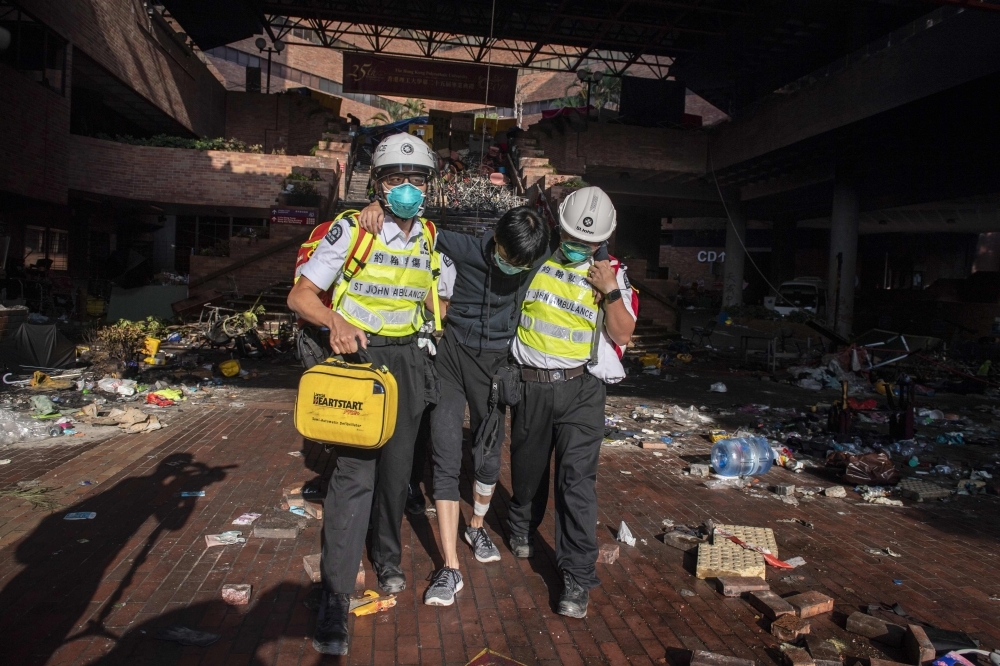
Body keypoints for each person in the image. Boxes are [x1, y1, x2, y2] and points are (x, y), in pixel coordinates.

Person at [287, 132, 453, 656]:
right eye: (395, 179)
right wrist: (334, 320)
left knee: (398, 471)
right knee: (356, 475)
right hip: (359, 362)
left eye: (417, 179)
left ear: (429, 185)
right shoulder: (350, 231)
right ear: (377, 185)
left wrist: (425, 331)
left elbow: (439, 294)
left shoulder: (428, 234)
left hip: (407, 362)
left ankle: (387, 560)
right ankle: (336, 597)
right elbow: (300, 296)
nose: (407, 187)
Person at [357, 202, 550, 607]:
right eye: (505, 257)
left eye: (520, 264)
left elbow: (581, 242)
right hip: (451, 360)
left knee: (487, 458)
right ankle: (450, 567)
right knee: (444, 455)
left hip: (496, 367)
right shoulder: (467, 247)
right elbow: (417, 229)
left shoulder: (537, 255)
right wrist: (379, 208)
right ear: (495, 239)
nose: (510, 267)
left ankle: (476, 524)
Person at [507, 186, 636, 619]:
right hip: (532, 386)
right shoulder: (537, 255)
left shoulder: (612, 273)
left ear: (604, 239)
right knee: (526, 471)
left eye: (588, 242)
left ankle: (577, 579)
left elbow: (622, 335)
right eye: (571, 238)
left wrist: (610, 290)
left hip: (582, 391)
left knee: (576, 484)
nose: (577, 247)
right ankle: (521, 524)